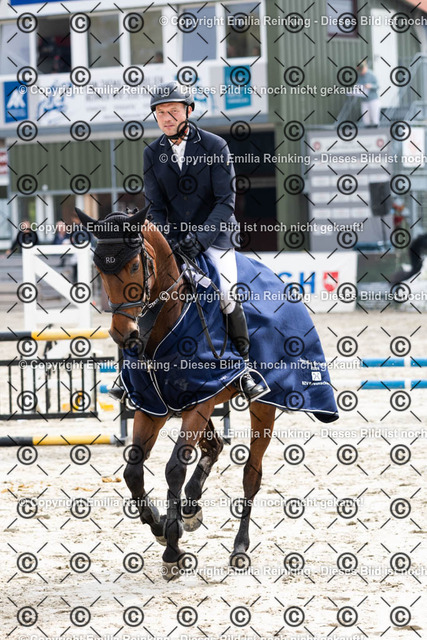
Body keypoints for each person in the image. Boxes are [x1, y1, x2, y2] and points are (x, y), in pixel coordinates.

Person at [143, 81, 267, 401]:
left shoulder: (214, 146)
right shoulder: (152, 153)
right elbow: (155, 207)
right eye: (160, 112)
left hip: (214, 238)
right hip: (172, 240)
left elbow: (225, 202)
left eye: (173, 111)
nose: (166, 118)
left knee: (226, 294)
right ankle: (136, 372)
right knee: (145, 292)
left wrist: (199, 239)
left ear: (188, 110)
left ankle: (244, 370)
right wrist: (166, 240)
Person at [356, 60, 380, 126]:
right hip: (364, 100)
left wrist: (370, 86)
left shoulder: (371, 75)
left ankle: (375, 127)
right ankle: (367, 127)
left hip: (373, 99)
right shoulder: (359, 76)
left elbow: (378, 86)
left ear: (365, 68)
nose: (361, 72)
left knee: (374, 117)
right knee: (366, 118)